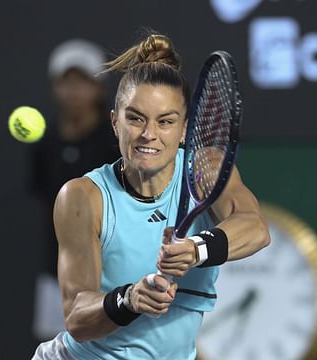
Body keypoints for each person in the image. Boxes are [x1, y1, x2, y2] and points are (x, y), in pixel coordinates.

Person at [32, 32, 270, 359]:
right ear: (115, 123)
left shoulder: (204, 170)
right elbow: (76, 317)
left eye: (165, 121)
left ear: (185, 128)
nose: (149, 134)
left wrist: (196, 248)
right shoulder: (82, 197)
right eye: (135, 118)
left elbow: (255, 227)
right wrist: (129, 299)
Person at [31, 38, 119, 339]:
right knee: (55, 349)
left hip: (111, 272)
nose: (73, 92)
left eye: (82, 82)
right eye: (66, 82)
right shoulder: (45, 143)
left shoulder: (117, 141)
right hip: (55, 271)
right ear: (55, 88)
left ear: (100, 89)